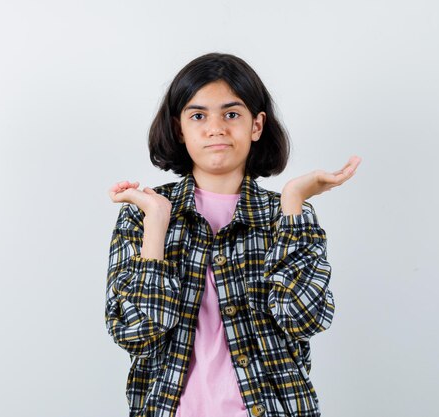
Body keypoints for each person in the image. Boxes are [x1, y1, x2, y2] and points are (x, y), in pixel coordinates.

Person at [104, 52, 361, 417]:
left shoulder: (285, 214)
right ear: (179, 128)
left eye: (231, 114)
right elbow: (135, 330)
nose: (216, 128)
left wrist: (293, 201)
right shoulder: (143, 212)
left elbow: (304, 318)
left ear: (256, 125)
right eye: (198, 115)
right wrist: (157, 225)